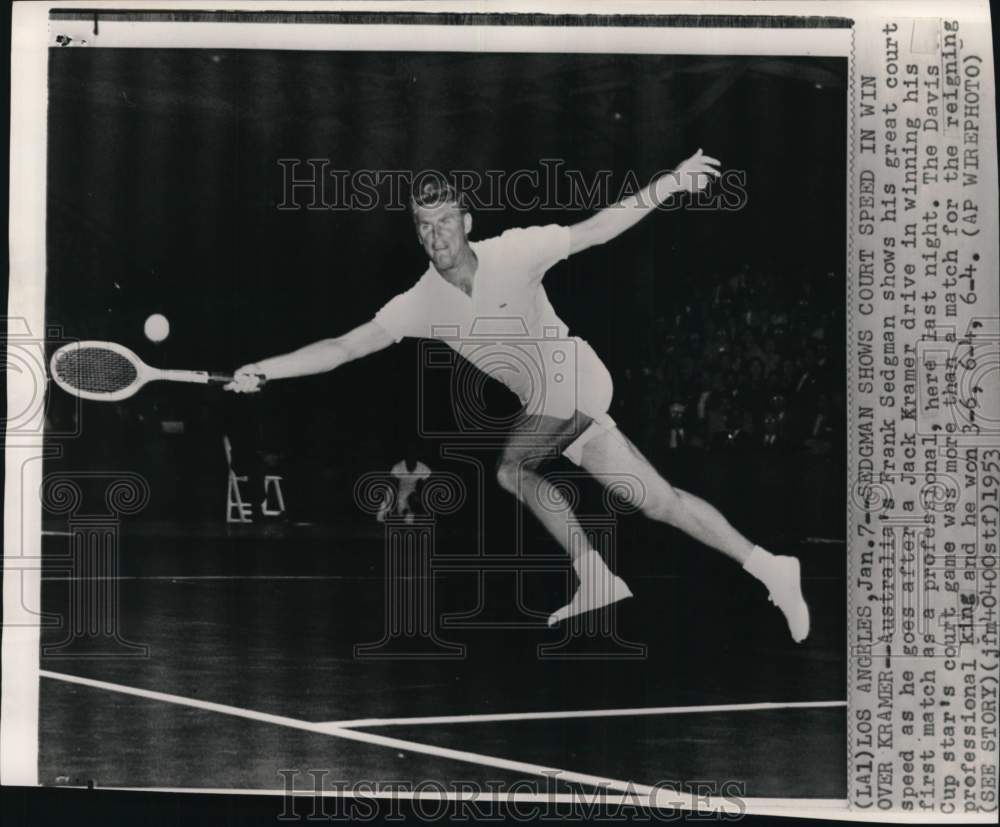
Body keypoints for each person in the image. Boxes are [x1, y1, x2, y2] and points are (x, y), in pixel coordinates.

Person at [226, 150, 810, 641]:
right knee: (660, 502)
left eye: (444, 221)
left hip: (575, 373)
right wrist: (265, 369)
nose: (436, 236)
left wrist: (669, 184)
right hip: (553, 406)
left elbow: (597, 228)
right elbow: (344, 346)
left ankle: (595, 574)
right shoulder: (420, 302)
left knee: (512, 468)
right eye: (423, 226)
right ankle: (770, 566)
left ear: (467, 221)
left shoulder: (517, 250)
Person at [377, 446, 432, 524]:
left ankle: (413, 515)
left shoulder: (422, 467)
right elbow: (393, 485)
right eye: (409, 456)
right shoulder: (398, 467)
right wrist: (392, 502)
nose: (411, 458)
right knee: (390, 492)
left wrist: (423, 500)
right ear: (405, 458)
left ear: (417, 457)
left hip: (411, 491)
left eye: (413, 456)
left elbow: (427, 484)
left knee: (415, 503)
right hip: (397, 490)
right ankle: (383, 511)